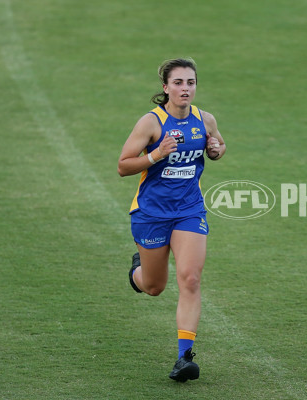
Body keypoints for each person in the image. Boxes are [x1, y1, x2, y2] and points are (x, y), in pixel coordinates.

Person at [117, 58, 226, 382]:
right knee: (154, 286)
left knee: (190, 278)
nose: (185, 89)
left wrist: (217, 149)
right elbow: (123, 165)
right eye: (178, 83)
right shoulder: (150, 123)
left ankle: (184, 358)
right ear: (165, 87)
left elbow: (217, 144)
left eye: (190, 82)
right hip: (150, 213)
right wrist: (155, 155)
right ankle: (138, 272)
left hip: (189, 210)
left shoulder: (204, 119)